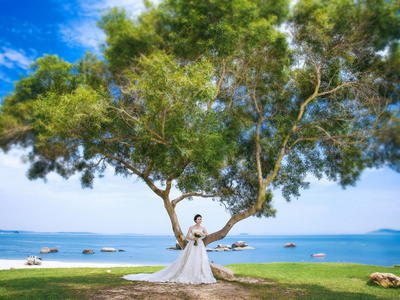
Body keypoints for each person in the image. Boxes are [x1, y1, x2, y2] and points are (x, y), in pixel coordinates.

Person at [122, 214, 217, 284]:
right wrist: (194, 238)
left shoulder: (203, 228)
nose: (200, 220)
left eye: (201, 219)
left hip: (199, 245)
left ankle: (199, 274)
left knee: (200, 259)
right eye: (198, 219)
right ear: (195, 220)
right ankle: (188, 274)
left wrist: (201, 235)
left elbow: (207, 235)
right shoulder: (191, 227)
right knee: (189, 259)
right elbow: (187, 237)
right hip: (192, 244)